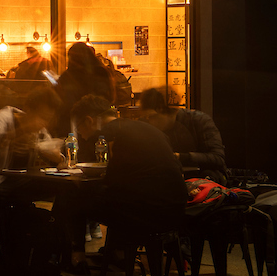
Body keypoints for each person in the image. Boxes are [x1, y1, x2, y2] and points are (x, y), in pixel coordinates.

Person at [58, 94, 187, 272]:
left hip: (147, 212)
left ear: (88, 121)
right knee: (118, 198)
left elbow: (113, 181)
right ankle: (117, 253)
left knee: (73, 195)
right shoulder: (145, 127)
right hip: (176, 209)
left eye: (79, 127)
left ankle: (76, 257)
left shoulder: (111, 132)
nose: (80, 133)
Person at [0, 87, 64, 274]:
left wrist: (51, 154)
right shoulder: (1, 120)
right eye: (40, 116)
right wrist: (10, 140)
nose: (43, 122)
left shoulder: (39, 130)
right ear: (28, 108)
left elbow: (57, 156)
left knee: (63, 193)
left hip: (16, 184)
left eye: (47, 118)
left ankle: (46, 255)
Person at [138, 88, 226, 181]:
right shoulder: (147, 125)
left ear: (166, 111)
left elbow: (218, 158)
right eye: (146, 117)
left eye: (152, 117)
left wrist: (182, 157)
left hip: (201, 179)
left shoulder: (198, 121)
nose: (149, 121)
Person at [56, 43, 114, 135]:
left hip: (76, 121)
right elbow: (107, 96)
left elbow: (63, 99)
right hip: (98, 118)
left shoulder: (67, 76)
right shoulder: (101, 71)